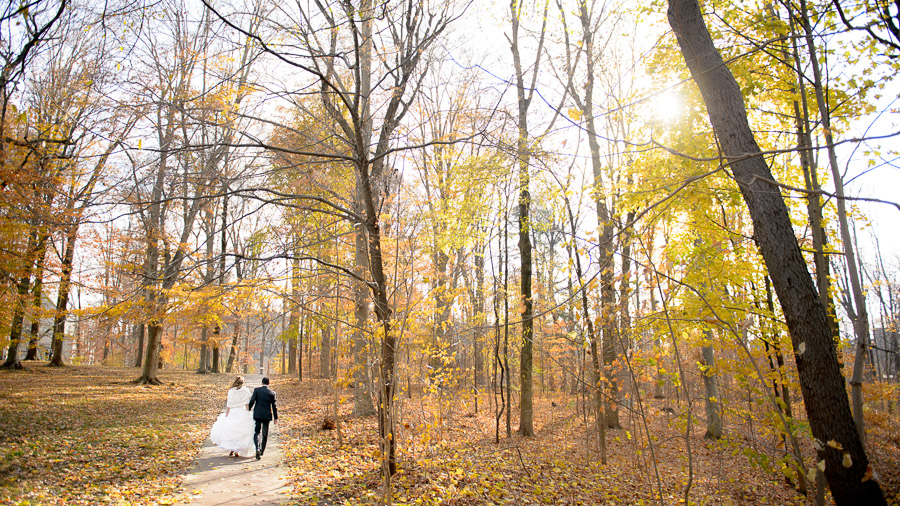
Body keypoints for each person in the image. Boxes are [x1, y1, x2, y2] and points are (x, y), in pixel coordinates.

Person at [209, 376, 255, 458]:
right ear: (242, 383)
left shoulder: (231, 391)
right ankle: (236, 450)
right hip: (241, 412)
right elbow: (246, 403)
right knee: (240, 432)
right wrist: (247, 412)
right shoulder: (245, 390)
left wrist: (227, 414)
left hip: (233, 412)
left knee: (232, 432)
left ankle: (233, 450)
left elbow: (229, 404)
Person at [248, 376, 278, 460]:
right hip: (267, 415)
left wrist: (249, 409)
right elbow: (274, 406)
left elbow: (252, 401)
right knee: (265, 434)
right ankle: (261, 451)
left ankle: (257, 448)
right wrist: (276, 417)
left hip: (257, 414)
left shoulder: (257, 390)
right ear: (269, 383)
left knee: (257, 432)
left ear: (262, 382)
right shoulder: (272, 393)